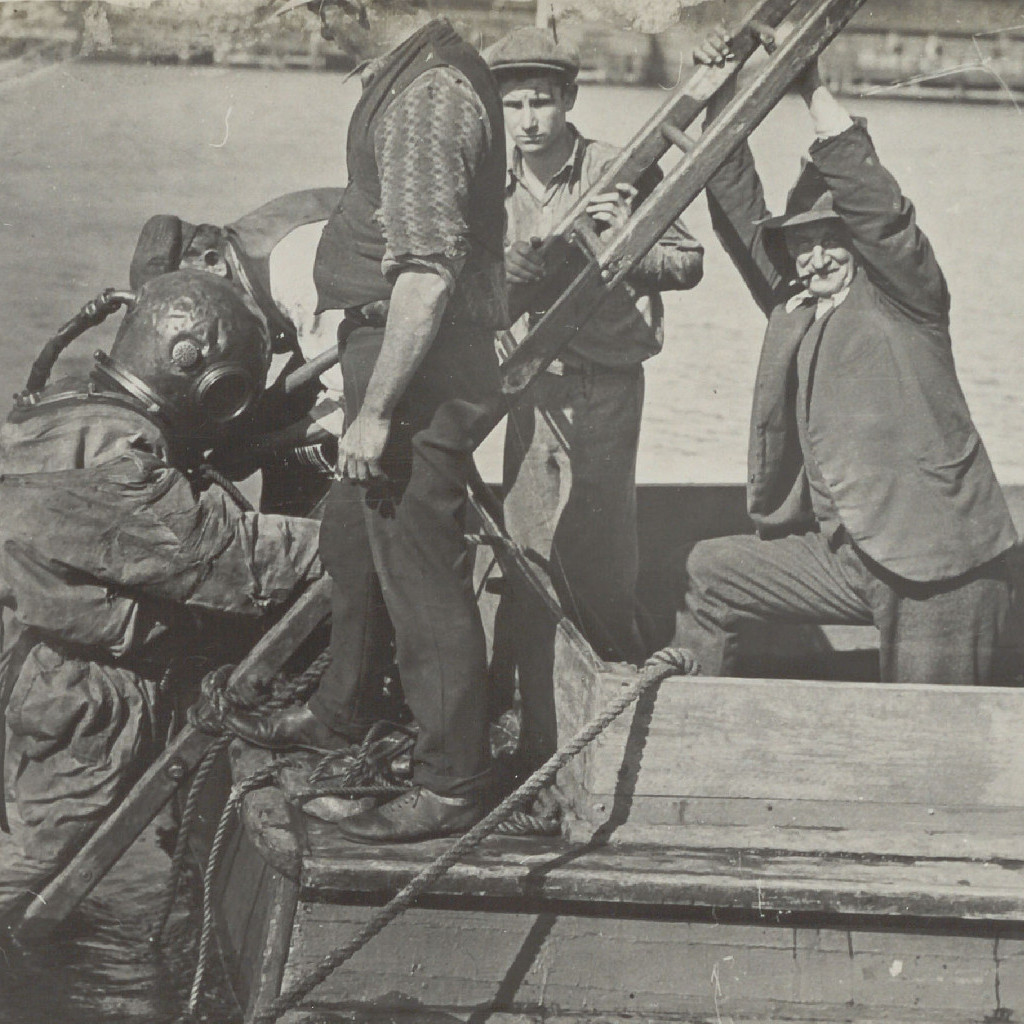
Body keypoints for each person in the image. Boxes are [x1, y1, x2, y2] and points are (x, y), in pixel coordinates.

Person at [224, 0, 509, 843]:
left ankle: (453, 781)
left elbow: (425, 273)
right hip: (392, 355)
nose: (319, 27)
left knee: (423, 574)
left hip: (417, 370)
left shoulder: (428, 95)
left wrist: (377, 410)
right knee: (354, 533)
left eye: (322, 10)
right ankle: (341, 710)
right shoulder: (408, 78)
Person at [672, 29, 1018, 684]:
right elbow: (738, 203)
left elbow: (877, 209)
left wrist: (811, 88)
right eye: (802, 243)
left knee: (922, 754)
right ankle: (693, 736)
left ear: (857, 244)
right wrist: (719, 96)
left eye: (833, 239)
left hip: (940, 572)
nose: (818, 255)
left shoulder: (905, 297)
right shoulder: (797, 302)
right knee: (710, 573)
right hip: (850, 559)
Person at [0, 270, 323, 928]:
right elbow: (234, 561)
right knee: (28, 883)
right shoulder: (121, 464)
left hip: (33, 664)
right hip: (86, 707)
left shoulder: (64, 410)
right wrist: (371, 534)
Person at [483, 27, 704, 769]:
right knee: (525, 550)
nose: (528, 120)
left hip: (607, 385)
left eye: (541, 102)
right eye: (513, 105)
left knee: (602, 558)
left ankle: (612, 722)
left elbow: (690, 261)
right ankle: (524, 721)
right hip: (530, 392)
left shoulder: (616, 168)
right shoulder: (492, 184)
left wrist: (633, 243)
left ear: (569, 100)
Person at [127, 187, 349, 515]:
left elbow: (354, 401)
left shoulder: (296, 275)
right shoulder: (239, 248)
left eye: (193, 299)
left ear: (213, 262)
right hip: (347, 332)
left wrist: (260, 448)